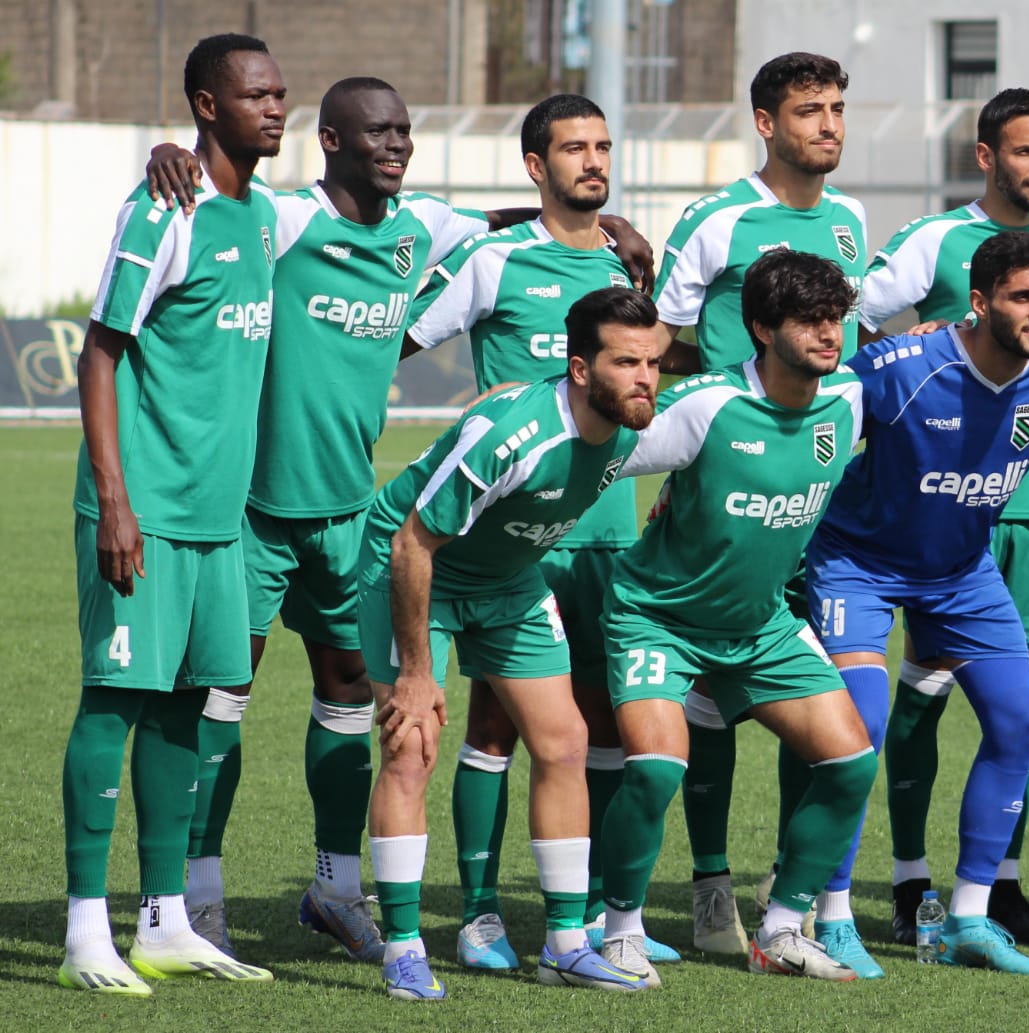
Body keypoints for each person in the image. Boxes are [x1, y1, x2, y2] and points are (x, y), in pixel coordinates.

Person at [140, 81, 657, 963]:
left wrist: (607, 226)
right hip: (254, 505)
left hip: (351, 508)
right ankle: (199, 894)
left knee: (351, 696)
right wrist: (170, 155)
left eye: (405, 132)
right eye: (378, 131)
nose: (397, 145)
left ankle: (337, 887)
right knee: (222, 695)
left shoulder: (425, 225)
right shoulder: (287, 217)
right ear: (331, 139)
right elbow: (221, 199)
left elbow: (505, 221)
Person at [401, 93, 677, 970]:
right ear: (536, 166)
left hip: (606, 529)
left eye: (603, 146)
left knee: (595, 724)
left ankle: (591, 914)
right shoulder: (497, 259)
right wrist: (471, 414)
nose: (593, 161)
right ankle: (479, 913)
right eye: (572, 148)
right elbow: (399, 338)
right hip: (508, 539)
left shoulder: (628, 264)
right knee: (493, 725)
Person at [799, 230, 1029, 978]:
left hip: (960, 574)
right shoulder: (902, 367)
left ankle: (970, 918)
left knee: (1020, 721)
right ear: (979, 302)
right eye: (1023, 297)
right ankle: (832, 914)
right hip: (858, 566)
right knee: (859, 728)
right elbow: (806, 413)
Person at [855, 86, 1029, 948]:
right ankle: (909, 879)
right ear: (986, 156)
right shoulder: (935, 238)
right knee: (921, 697)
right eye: (1026, 151)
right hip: (935, 509)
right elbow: (852, 321)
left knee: (1018, 706)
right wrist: (927, 352)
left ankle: (999, 886)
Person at [358, 287, 664, 1000]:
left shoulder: (631, 425)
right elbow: (411, 544)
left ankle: (566, 945)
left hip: (508, 580)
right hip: (414, 568)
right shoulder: (515, 439)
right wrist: (416, 673)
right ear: (581, 370)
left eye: (653, 361)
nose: (647, 377)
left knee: (565, 742)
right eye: (627, 363)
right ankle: (403, 948)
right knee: (412, 744)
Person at [60, 32, 283, 995]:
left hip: (217, 519)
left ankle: (163, 920)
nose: (275, 108)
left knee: (191, 703)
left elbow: (371, 209)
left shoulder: (265, 213)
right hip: (143, 508)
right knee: (114, 700)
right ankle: (83, 931)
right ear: (205, 105)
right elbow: (100, 349)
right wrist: (116, 501)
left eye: (280, 94)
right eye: (255, 95)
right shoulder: (164, 207)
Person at [595, 249, 875, 987]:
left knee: (851, 762)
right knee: (656, 770)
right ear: (761, 328)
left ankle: (781, 928)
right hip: (658, 618)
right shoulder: (707, 406)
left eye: (835, 318)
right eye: (809, 320)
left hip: (759, 626)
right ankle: (617, 930)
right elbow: (596, 451)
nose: (828, 333)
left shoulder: (848, 399)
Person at [649, 50, 869, 954]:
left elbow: (856, 340)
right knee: (708, 701)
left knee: (808, 694)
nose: (829, 124)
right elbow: (657, 342)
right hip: (724, 496)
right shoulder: (717, 219)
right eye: (810, 110)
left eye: (838, 108)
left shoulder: (851, 220)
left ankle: (795, 890)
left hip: (813, 491)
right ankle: (710, 887)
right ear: (767, 123)